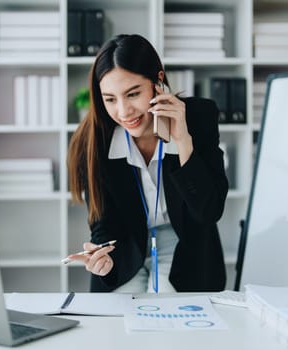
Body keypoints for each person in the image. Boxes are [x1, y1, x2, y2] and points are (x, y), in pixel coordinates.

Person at [66, 34, 228, 293]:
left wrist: (183, 140)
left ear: (158, 82)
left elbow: (208, 212)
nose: (123, 111)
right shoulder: (93, 140)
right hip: (126, 247)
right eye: (110, 99)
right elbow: (103, 225)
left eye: (132, 94)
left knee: (169, 312)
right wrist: (104, 261)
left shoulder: (198, 117)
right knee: (120, 318)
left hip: (183, 246)